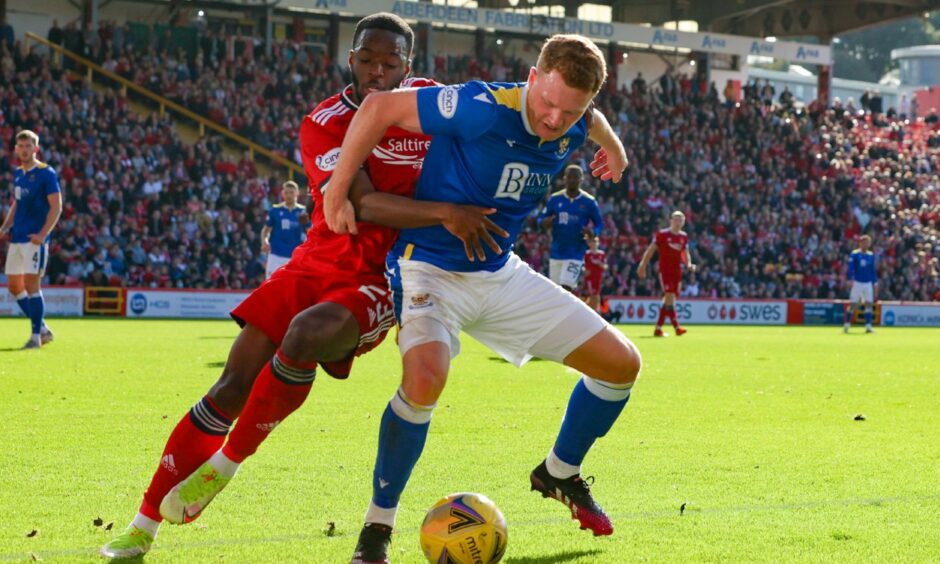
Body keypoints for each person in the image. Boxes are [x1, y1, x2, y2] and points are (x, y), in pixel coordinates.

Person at [100, 13, 505, 559]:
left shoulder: (433, 105)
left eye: (390, 63)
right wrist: (447, 212)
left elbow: (507, 106)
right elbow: (360, 203)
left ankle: (226, 464)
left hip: (383, 273)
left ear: (409, 66)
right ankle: (141, 526)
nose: (377, 72)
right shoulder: (325, 121)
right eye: (367, 60)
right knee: (228, 385)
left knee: (306, 334)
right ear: (351, 59)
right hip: (315, 261)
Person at [324, 34, 642, 563]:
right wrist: (337, 188)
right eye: (546, 102)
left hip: (499, 274)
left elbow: (594, 120)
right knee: (425, 378)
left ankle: (558, 472)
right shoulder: (479, 107)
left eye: (570, 111)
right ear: (532, 78)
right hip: (429, 269)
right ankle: (376, 529)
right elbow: (378, 106)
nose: (553, 119)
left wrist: (615, 149)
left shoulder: (577, 116)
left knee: (621, 366)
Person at [1, 130, 61, 349]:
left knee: (32, 285)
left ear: (36, 149)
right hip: (17, 238)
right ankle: (43, 328)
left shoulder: (47, 173)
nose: (24, 150)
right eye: (21, 146)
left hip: (34, 238)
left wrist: (43, 234)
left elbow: (56, 206)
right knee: (15, 287)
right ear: (16, 149)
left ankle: (35, 337)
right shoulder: (19, 173)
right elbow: (17, 204)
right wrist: (5, 226)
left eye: (28, 146)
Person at [539, 164, 603, 291]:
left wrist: (593, 232)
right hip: (556, 251)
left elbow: (600, 223)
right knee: (555, 292)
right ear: (564, 179)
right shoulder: (555, 199)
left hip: (576, 252)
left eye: (576, 177)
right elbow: (540, 219)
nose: (572, 180)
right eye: (569, 177)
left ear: (581, 179)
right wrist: (544, 222)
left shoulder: (589, 202)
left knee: (566, 287)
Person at [637, 211, 695, 337]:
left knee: (670, 299)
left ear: (683, 223)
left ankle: (658, 328)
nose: (678, 222)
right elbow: (651, 250)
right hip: (665, 270)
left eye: (681, 220)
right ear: (671, 221)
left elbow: (685, 253)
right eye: (676, 219)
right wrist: (643, 264)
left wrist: (689, 264)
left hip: (677, 271)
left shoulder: (683, 236)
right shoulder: (662, 234)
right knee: (669, 296)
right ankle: (676, 327)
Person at [261, 180, 309, 278]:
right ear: (282, 193)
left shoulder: (303, 212)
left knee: (293, 287)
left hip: (295, 257)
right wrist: (264, 241)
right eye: (286, 192)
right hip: (275, 255)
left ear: (297, 193)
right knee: (271, 286)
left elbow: (309, 232)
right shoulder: (275, 210)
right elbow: (265, 230)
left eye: (291, 192)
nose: (289, 195)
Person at [844, 235, 877, 333]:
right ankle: (846, 324)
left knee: (869, 303)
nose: (866, 244)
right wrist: (850, 279)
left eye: (868, 242)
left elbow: (873, 271)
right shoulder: (855, 254)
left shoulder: (871, 255)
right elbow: (851, 268)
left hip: (868, 283)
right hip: (857, 282)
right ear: (860, 243)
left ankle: (868, 326)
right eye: (864, 242)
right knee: (853, 304)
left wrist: (875, 283)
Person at [582, 236, 607, 311]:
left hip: (598, 278)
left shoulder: (601, 254)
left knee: (595, 295)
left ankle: (591, 311)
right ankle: (593, 311)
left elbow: (605, 267)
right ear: (589, 243)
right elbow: (582, 265)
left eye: (596, 241)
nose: (594, 243)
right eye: (592, 241)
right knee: (593, 295)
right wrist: (584, 271)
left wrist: (600, 264)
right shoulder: (587, 254)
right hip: (590, 279)